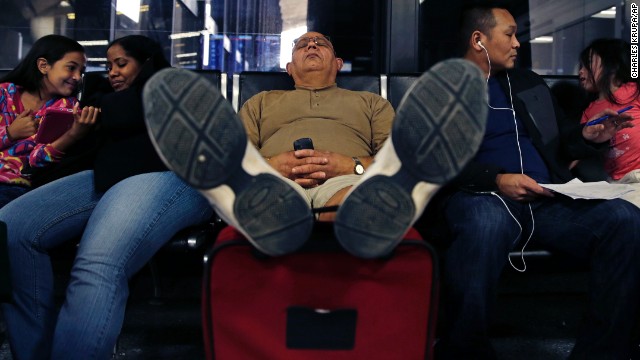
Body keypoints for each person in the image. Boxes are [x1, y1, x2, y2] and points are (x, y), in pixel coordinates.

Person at [141, 31, 488, 260]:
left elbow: (398, 159)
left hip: (348, 180)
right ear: (289, 68)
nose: (310, 46)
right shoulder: (261, 102)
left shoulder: (370, 103)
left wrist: (350, 165)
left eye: (320, 43)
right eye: (302, 45)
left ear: (337, 64)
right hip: (274, 179)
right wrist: (269, 166)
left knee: (356, 208)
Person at [429, 3, 640, 359]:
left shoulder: (528, 83)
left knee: (625, 220)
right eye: (509, 35)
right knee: (485, 223)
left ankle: (601, 352)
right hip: (483, 196)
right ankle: (464, 351)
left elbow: (563, 141)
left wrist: (590, 136)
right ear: (478, 40)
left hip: (547, 198)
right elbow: (432, 160)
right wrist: (497, 179)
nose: (518, 44)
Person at [0, 35, 213, 360]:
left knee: (97, 263)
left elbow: (133, 110)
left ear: (145, 64)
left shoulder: (168, 89)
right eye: (109, 65)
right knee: (12, 227)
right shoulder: (88, 106)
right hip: (107, 175)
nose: (112, 72)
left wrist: (95, 107)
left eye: (121, 64)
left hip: (165, 173)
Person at [0, 34, 99, 207]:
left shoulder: (67, 108)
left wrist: (72, 135)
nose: (77, 77)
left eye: (81, 71)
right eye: (71, 68)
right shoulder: (4, 93)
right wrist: (10, 133)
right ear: (43, 66)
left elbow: (36, 159)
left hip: (15, 188)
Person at [578, 38, 640, 205]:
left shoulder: (634, 91)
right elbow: (581, 150)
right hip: (613, 183)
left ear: (611, 64)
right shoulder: (588, 111)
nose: (580, 72)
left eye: (588, 63)